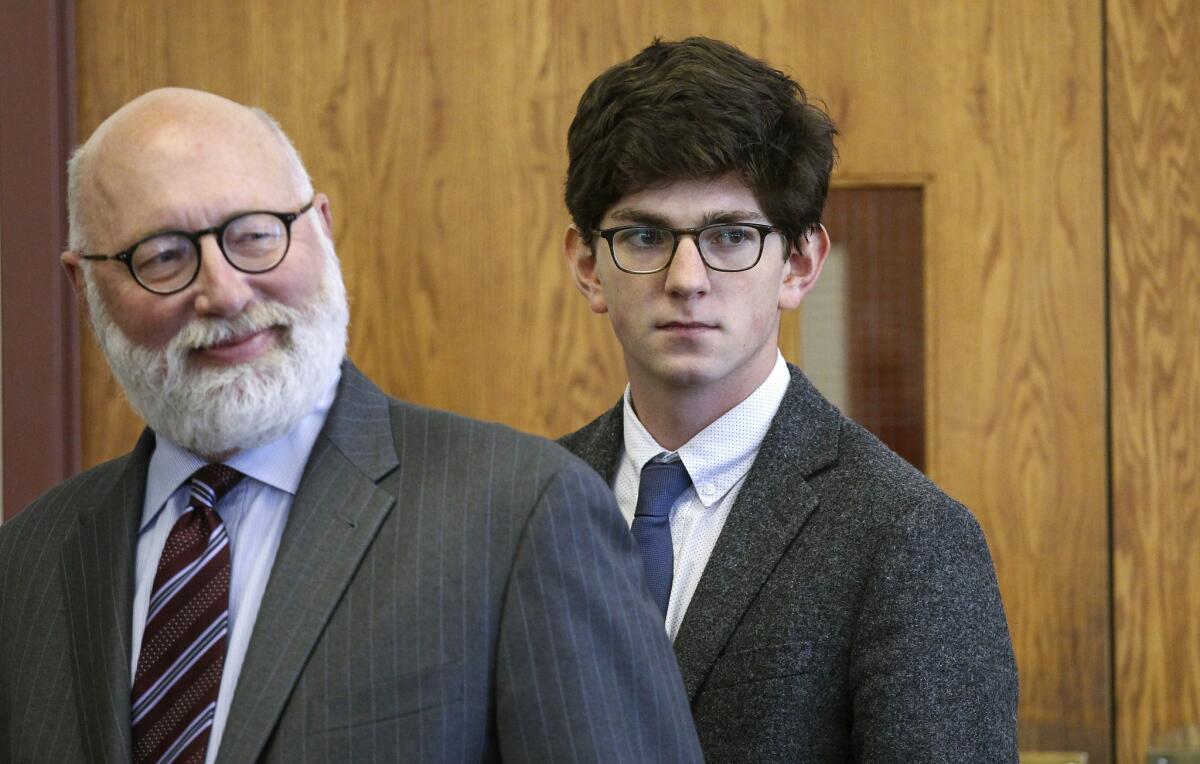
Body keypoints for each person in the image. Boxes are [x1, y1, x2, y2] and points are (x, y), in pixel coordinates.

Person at [0, 87, 702, 763]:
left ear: (322, 229)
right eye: (163, 257)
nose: (224, 289)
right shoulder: (24, 563)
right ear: (84, 286)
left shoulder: (523, 513)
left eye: (255, 236)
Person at [560, 37, 1019, 761]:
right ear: (589, 266)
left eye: (731, 235)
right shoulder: (525, 502)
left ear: (799, 265)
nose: (686, 278)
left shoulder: (907, 538)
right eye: (646, 235)